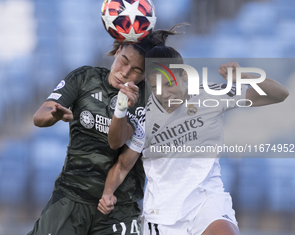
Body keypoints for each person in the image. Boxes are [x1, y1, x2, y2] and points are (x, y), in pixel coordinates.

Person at [98, 45, 289, 235]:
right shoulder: (146, 118)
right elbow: (123, 166)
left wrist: (244, 76)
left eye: (169, 84)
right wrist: (108, 192)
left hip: (205, 201)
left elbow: (280, 94)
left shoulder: (211, 97)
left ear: (184, 77)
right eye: (155, 87)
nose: (163, 94)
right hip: (162, 216)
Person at [27, 27, 181, 235]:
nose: (125, 72)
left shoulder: (150, 99)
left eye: (136, 70)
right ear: (117, 51)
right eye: (124, 61)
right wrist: (54, 114)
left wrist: (123, 106)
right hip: (71, 198)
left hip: (121, 207)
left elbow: (116, 142)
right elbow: (39, 117)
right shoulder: (84, 79)